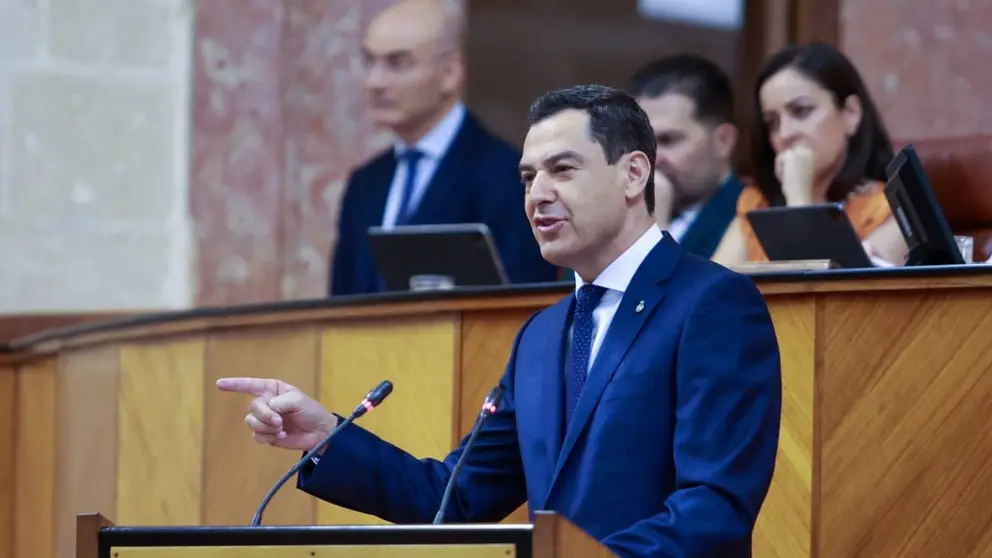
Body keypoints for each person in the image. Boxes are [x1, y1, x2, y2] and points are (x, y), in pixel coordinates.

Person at [219, 85, 782, 557]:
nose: (538, 195)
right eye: (527, 177)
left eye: (562, 170)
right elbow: (452, 498)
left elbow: (713, 508)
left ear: (634, 174)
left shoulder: (712, 304)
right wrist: (326, 437)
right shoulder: (541, 336)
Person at [329, 0, 556, 296]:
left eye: (397, 63)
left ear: (450, 73)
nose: (375, 82)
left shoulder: (507, 177)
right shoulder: (366, 183)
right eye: (370, 61)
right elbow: (340, 303)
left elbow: (523, 304)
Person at [712, 42, 908, 267]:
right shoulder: (758, 202)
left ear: (851, 113)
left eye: (801, 111)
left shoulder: (891, 210)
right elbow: (710, 292)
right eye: (772, 122)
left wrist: (798, 198)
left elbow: (816, 297)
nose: (784, 134)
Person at [627, 54, 744, 259]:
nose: (652, 159)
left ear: (723, 141)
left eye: (668, 140)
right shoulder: (619, 216)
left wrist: (653, 232)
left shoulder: (750, 215)